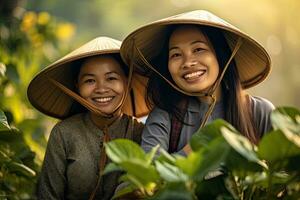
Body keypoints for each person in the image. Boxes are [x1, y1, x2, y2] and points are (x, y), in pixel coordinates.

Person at [120, 10, 275, 156]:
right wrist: (191, 150)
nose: (187, 63)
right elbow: (149, 176)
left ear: (220, 56)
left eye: (198, 49)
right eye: (176, 54)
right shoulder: (164, 116)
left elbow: (287, 174)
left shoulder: (259, 112)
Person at [27, 36, 149, 199]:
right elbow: (47, 195)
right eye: (90, 81)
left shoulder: (141, 133)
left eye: (111, 78)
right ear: (78, 87)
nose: (101, 88)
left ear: (127, 82)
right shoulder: (64, 134)